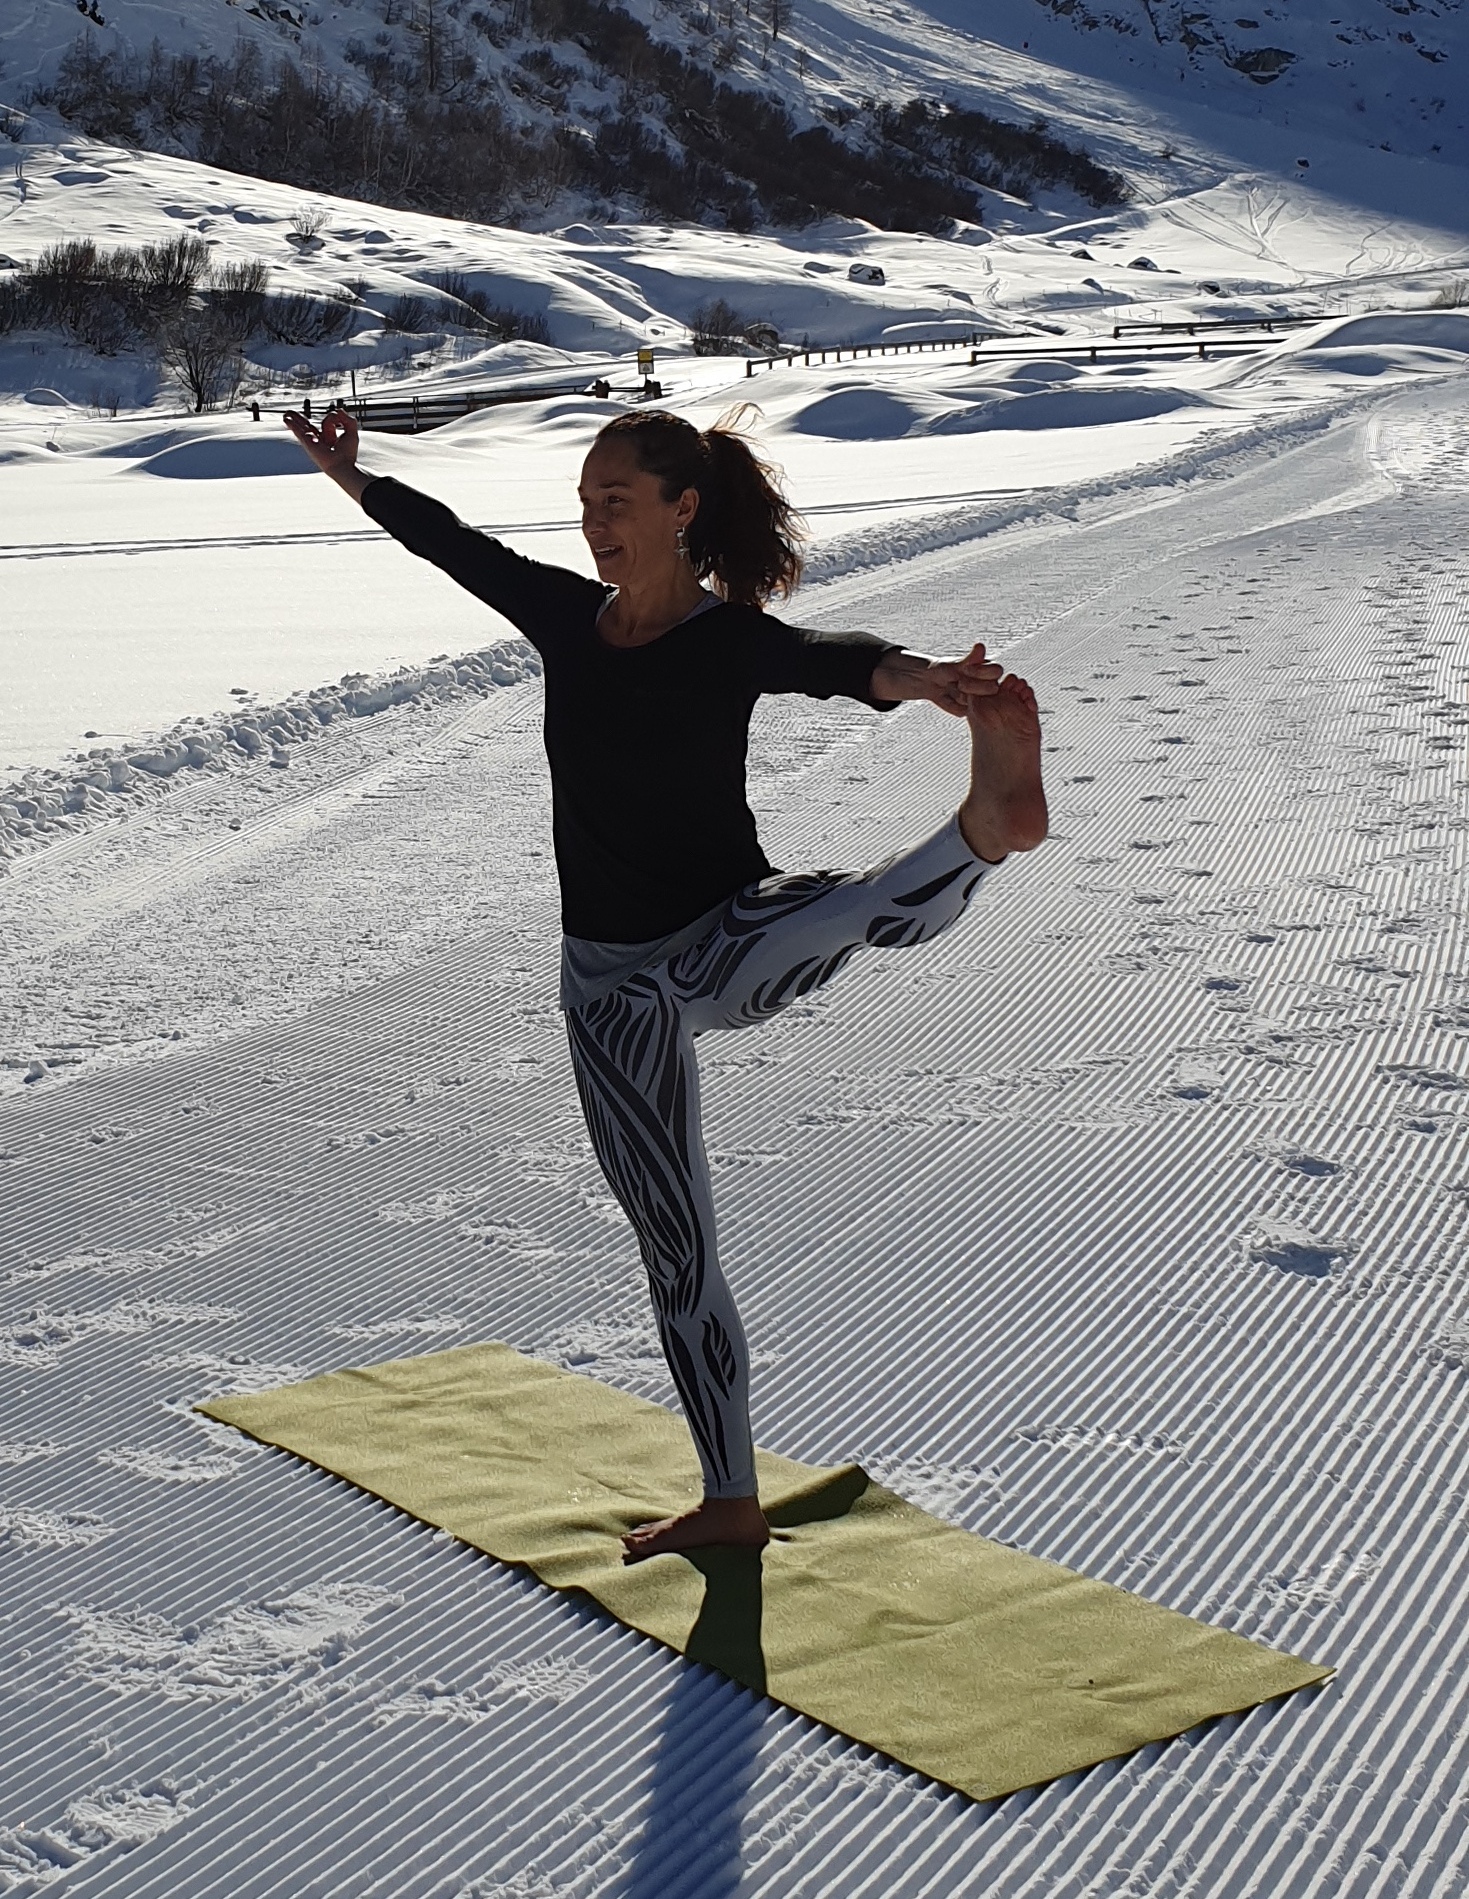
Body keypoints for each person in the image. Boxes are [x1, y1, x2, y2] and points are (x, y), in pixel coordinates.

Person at [282, 402, 1048, 1561]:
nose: (594, 526)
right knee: (676, 1246)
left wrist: (924, 680)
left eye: (615, 503)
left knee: (842, 907)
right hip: (606, 990)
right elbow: (448, 542)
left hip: (727, 935)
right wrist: (350, 475)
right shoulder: (561, 618)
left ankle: (983, 828)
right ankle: (728, 1498)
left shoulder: (723, 640)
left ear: (682, 511)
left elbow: (821, 662)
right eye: (585, 504)